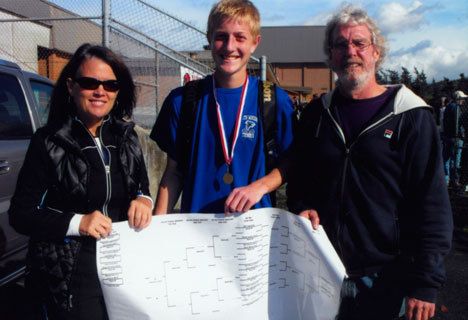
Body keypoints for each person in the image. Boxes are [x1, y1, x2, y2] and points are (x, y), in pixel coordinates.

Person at [287, 5, 453, 320]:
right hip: (322, 270)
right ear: (331, 55)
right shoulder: (316, 115)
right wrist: (302, 204)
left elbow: (430, 201)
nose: (351, 51)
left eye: (359, 43)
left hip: (384, 277)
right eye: (341, 44)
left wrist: (426, 283)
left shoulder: (412, 116)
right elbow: (300, 178)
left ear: (376, 52)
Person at [8, 43, 153, 319]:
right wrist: (78, 223)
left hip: (125, 261)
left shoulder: (127, 136)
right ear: (72, 86)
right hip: (73, 270)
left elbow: (140, 187)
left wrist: (144, 199)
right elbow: (21, 214)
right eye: (90, 82)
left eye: (110, 84)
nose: (101, 91)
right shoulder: (49, 141)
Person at [151, 0, 293, 214]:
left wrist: (260, 187)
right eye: (221, 36)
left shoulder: (275, 100)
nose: (229, 47)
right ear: (209, 38)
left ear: (255, 42)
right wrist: (157, 232)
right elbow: (173, 173)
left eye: (240, 37)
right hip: (197, 233)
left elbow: (292, 162)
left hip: (253, 233)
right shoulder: (182, 100)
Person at [443, 90, 466, 190]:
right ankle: (454, 181)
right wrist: (461, 134)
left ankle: (446, 180)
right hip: (456, 137)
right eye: (462, 99)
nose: (463, 101)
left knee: (446, 159)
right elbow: (458, 123)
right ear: (458, 98)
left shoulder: (447, 107)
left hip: (447, 136)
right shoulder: (456, 108)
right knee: (455, 159)